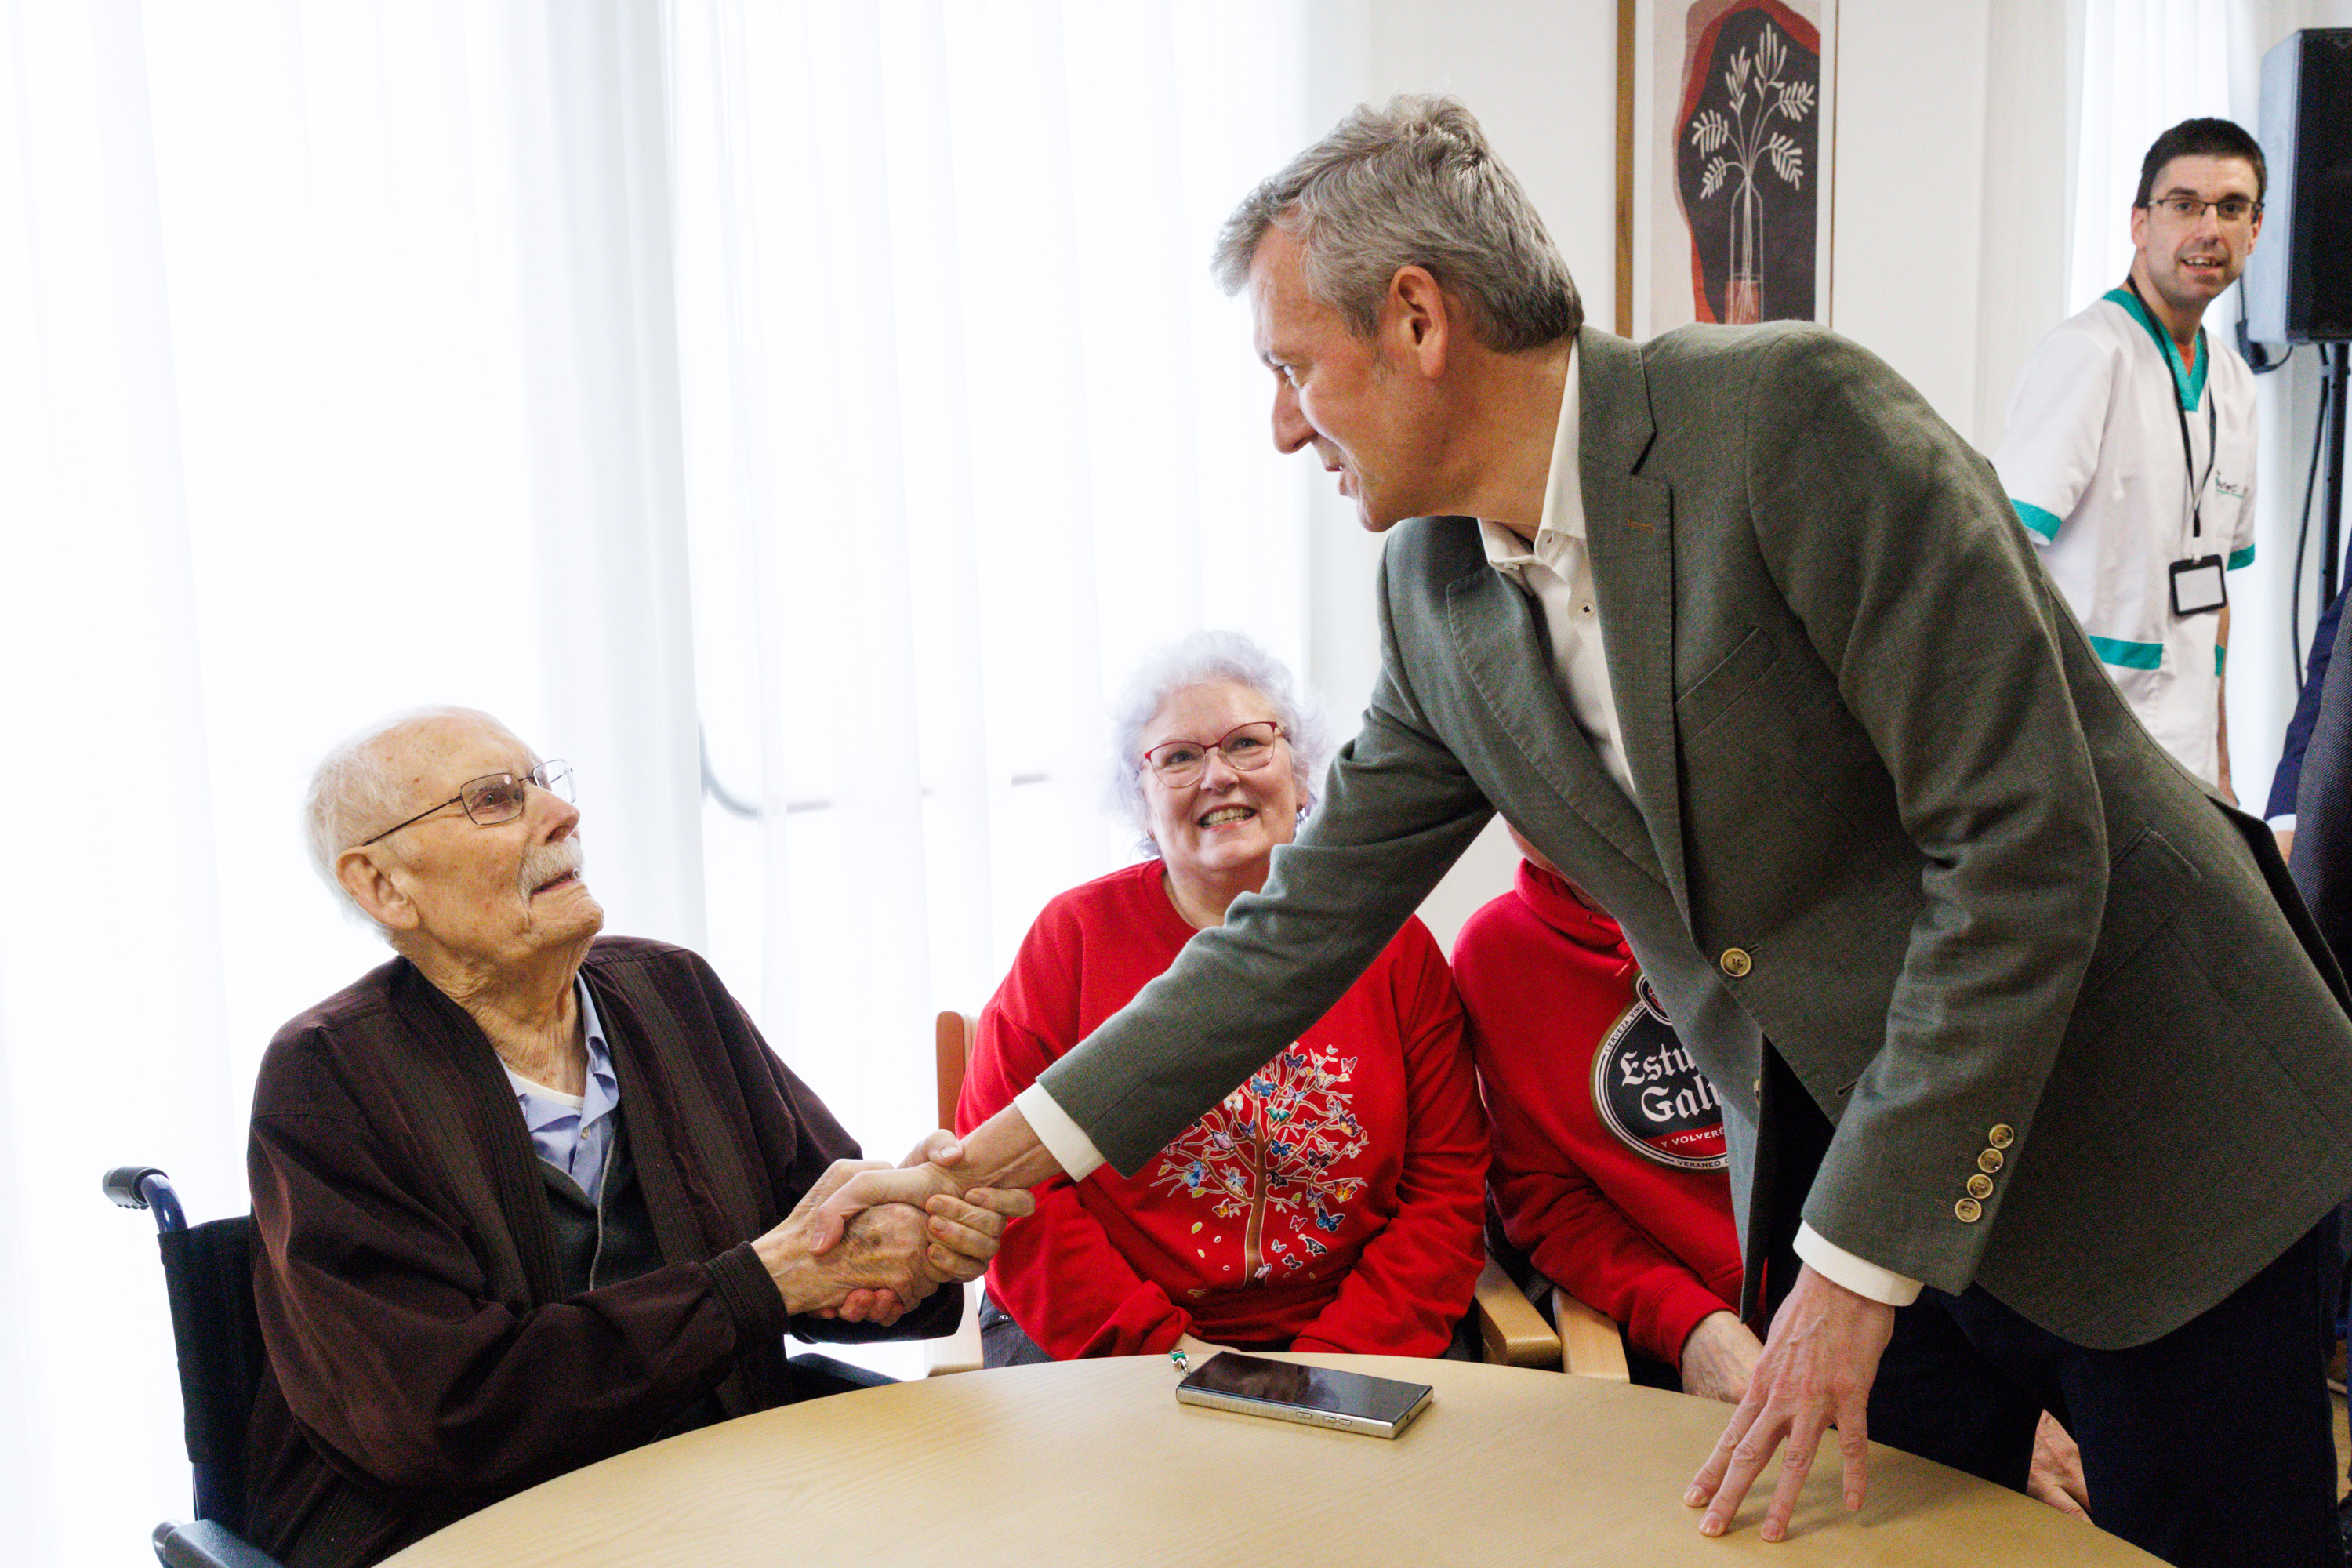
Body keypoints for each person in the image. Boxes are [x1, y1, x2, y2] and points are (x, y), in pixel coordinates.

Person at [833, 96, 2352, 1566]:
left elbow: (2023, 853)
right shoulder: (1435, 596)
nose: (1285, 426)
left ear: (1418, 320)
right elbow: (1294, 934)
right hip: (1862, 1132)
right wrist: (989, 1162)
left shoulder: (1790, 421)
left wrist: (1847, 1268)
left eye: (1297, 367)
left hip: (2154, 1128)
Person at [246, 707, 1031, 1568]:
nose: (562, 815)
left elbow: (819, 1237)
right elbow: (440, 1418)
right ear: (384, 885)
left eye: (546, 783)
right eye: (497, 799)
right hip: (467, 1529)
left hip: (716, 1494)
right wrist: (764, 1280)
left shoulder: (670, 991)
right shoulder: (330, 1076)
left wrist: (904, 1251)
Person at [1457, 831, 2089, 1520]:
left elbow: (1940, 1132)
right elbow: (1549, 1203)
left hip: (1916, 1311)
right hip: (1720, 1354)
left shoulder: (1799, 894)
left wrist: (2005, 1394)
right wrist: (1690, 1326)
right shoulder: (1495, 955)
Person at [956, 632, 1488, 1363]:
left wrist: (1334, 1365)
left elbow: (1447, 1191)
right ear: (1140, 806)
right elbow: (1013, 1200)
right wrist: (1168, 1358)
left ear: (1303, 782)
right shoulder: (1070, 938)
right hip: (1119, 1347)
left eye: (1247, 744)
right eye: (1178, 758)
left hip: (1352, 1338)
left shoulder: (1395, 943)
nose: (1218, 776)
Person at [1993, 118, 2266, 795]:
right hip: (2086, 755)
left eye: (2231, 208)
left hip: (2189, 767)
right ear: (2140, 224)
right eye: (2184, 205)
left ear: (2255, 231)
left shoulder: (2233, 382)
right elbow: (2000, 563)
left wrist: (2224, 769)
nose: (2209, 228)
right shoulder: (2088, 356)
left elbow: (2216, 599)